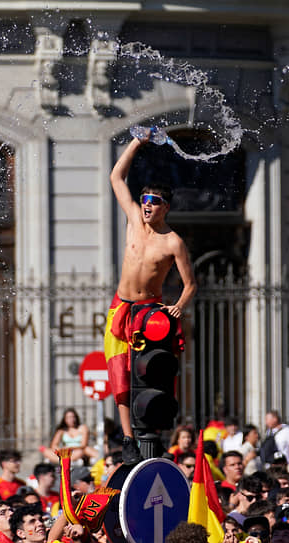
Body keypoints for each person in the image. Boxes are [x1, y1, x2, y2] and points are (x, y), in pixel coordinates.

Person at [104, 134, 197, 465]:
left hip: (149, 313)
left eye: (154, 201)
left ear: (165, 207)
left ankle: (157, 432)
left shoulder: (174, 243)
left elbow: (190, 284)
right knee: (119, 371)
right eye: (144, 198)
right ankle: (127, 437)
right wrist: (136, 144)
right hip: (121, 307)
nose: (146, 204)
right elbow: (116, 177)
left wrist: (178, 308)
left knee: (150, 373)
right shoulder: (132, 219)